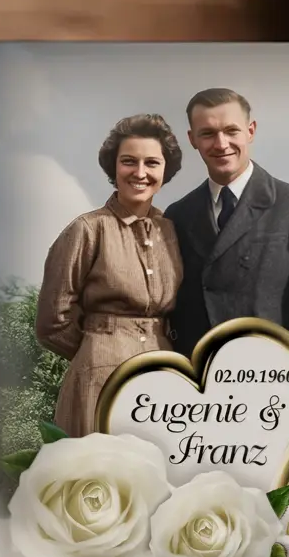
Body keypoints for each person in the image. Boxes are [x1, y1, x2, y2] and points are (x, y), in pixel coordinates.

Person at [161, 87, 289, 382]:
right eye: (207, 133)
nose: (221, 144)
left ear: (251, 130)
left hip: (271, 386)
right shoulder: (177, 215)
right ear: (192, 139)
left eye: (231, 130)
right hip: (197, 393)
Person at [35, 114, 184, 437]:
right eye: (129, 162)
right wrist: (99, 350)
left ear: (165, 170)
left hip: (165, 378)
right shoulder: (87, 229)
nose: (140, 173)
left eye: (152, 163)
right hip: (100, 379)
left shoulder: (172, 232)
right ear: (113, 167)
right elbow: (51, 321)